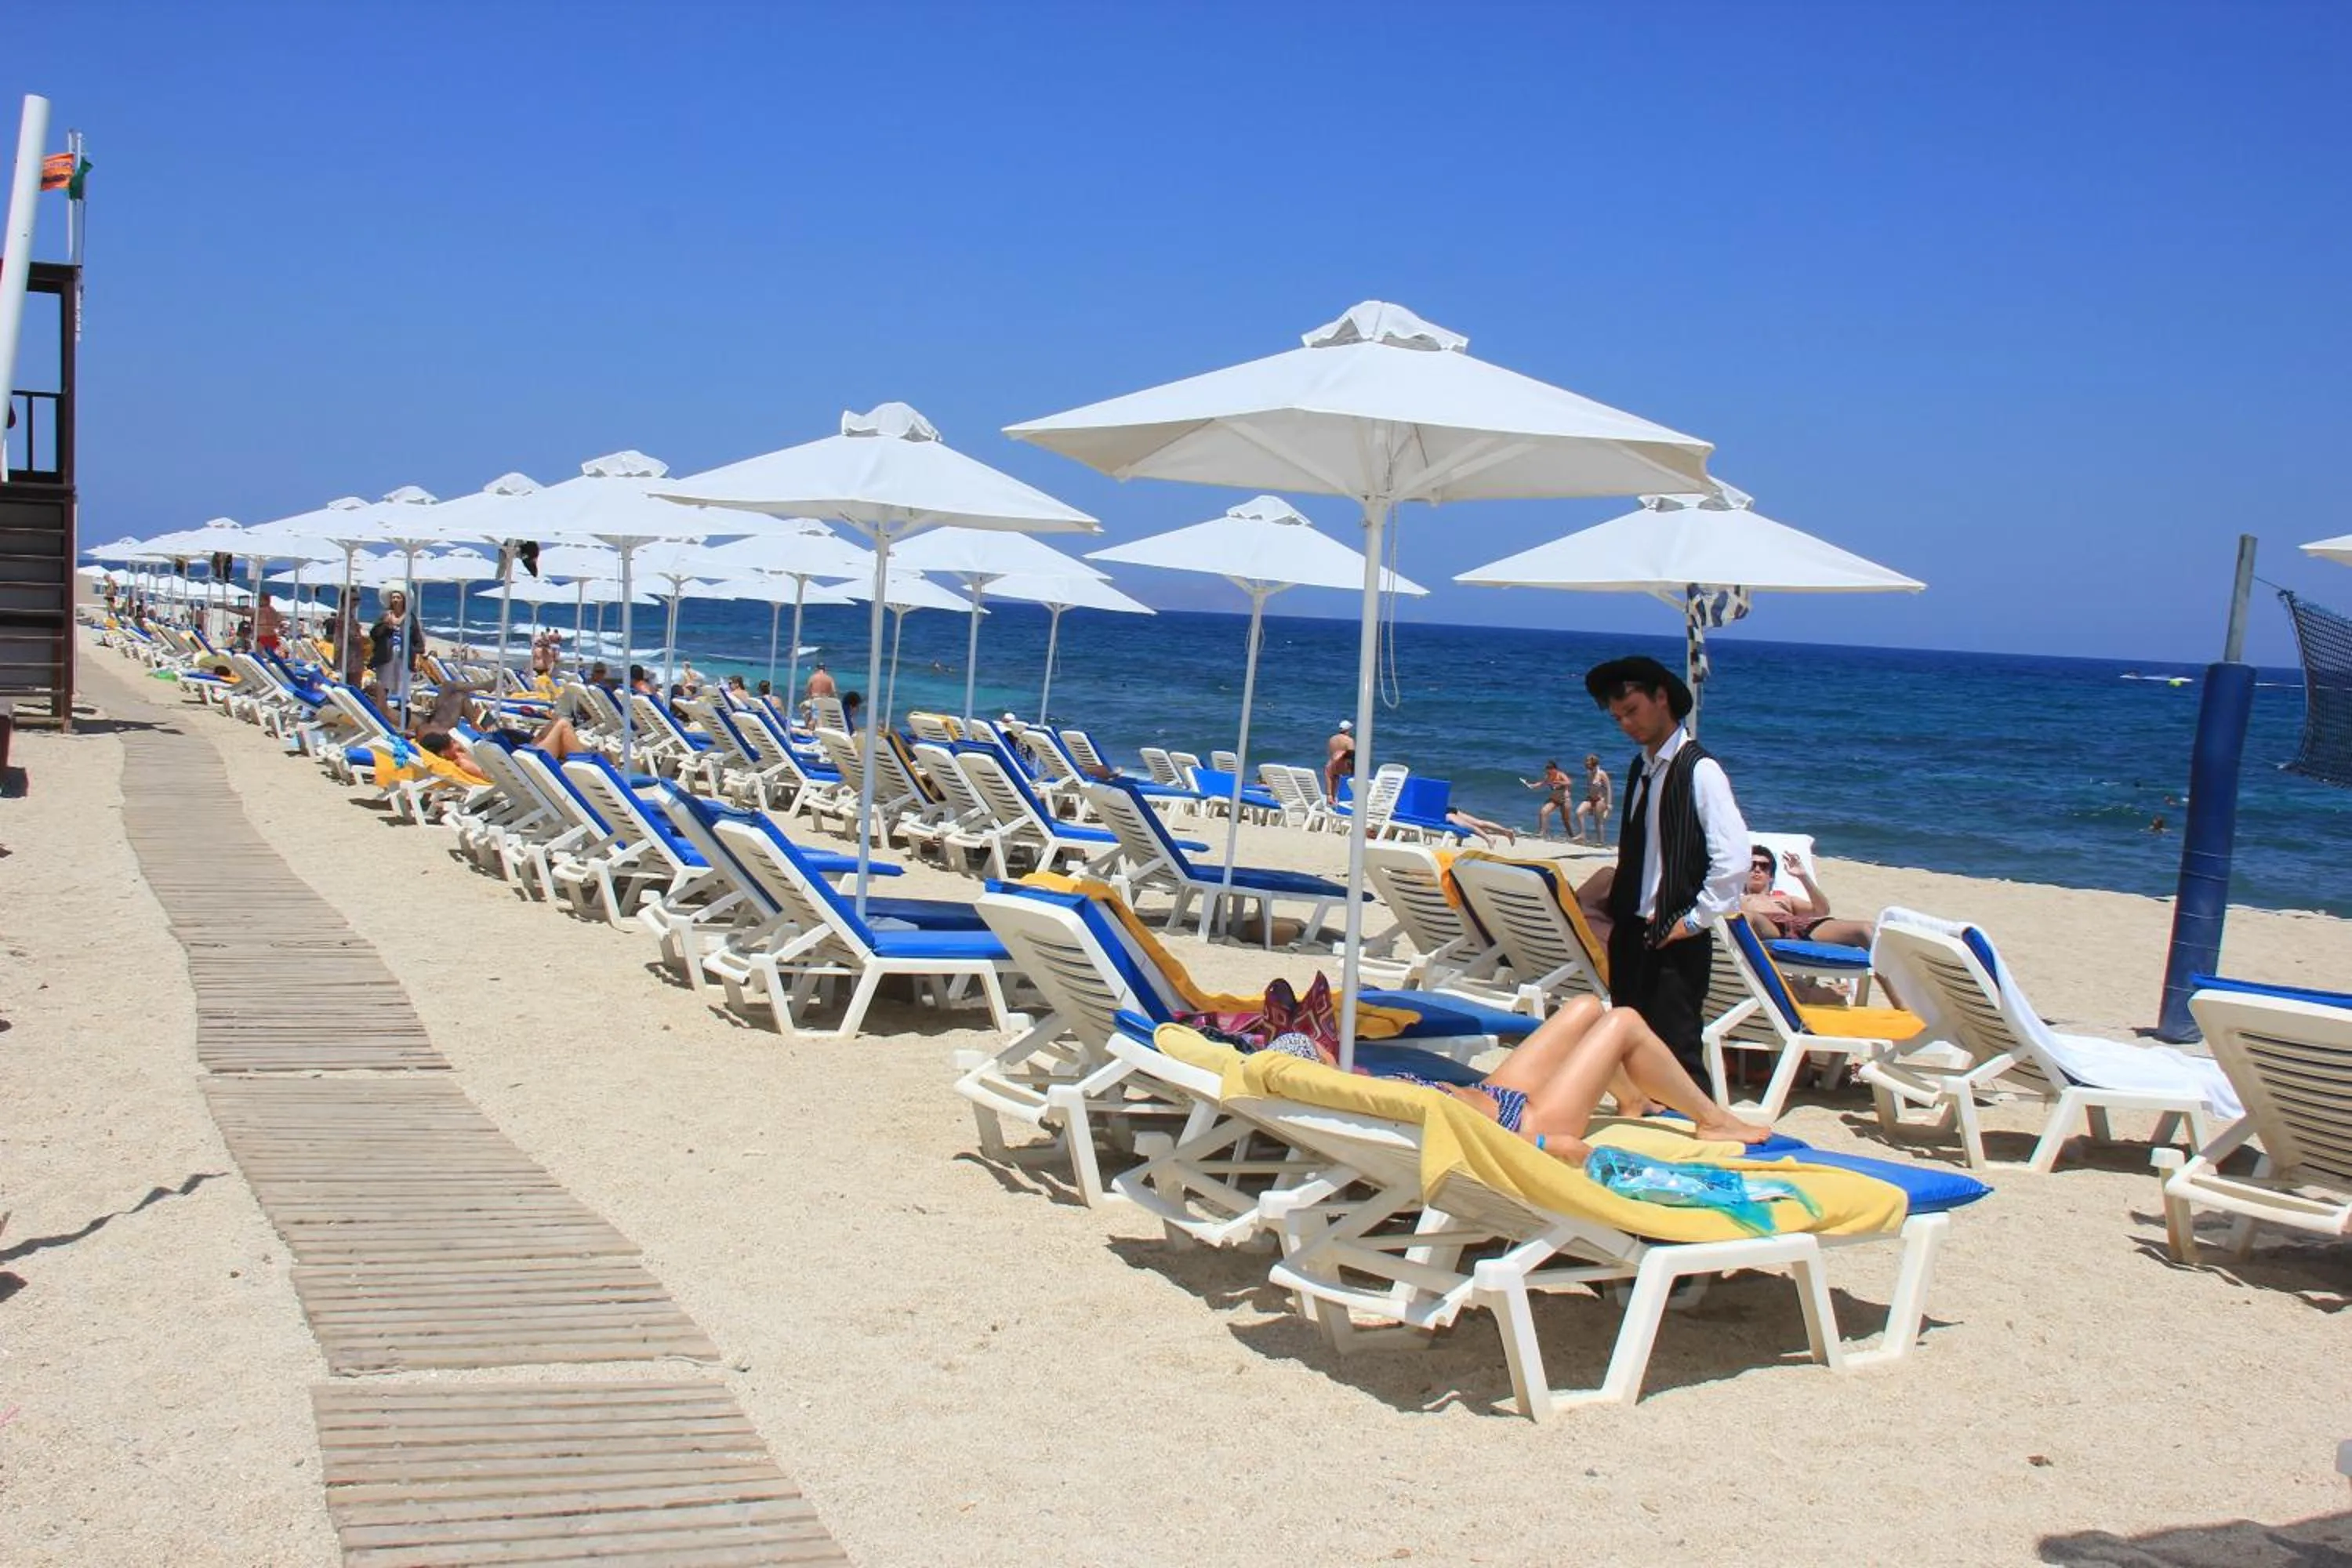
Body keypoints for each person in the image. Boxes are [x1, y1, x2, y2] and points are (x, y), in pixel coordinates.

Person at [1274, 991, 1773, 1160]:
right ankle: (1711, 1118)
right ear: (1315, 1063)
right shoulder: (1363, 1096)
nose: (1325, 1041)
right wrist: (1543, 1148)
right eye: (1318, 1046)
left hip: (1495, 1099)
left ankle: (1633, 1101)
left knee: (1583, 1009)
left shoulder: (1340, 1089)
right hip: (1527, 1127)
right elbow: (1454, 1138)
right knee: (1623, 1023)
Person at [1584, 655, 1749, 1082]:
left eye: (1633, 711)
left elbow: (1733, 858)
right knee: (1630, 1048)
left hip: (1674, 937)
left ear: (1662, 698)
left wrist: (1694, 920)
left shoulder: (1700, 770)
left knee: (1677, 1056)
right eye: (1619, 717)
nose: (1626, 724)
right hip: (1631, 933)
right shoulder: (1642, 768)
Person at [1742, 846, 1873, 949]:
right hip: (1768, 926)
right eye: (1752, 865)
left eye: (1764, 866)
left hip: (1800, 926)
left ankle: (1890, 982)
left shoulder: (1785, 899)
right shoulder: (1739, 899)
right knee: (1746, 917)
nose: (1757, 869)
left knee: (1867, 929)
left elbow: (1822, 911)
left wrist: (1803, 877)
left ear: (1771, 876)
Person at [368, 589, 423, 716]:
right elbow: (374, 634)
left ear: (404, 600)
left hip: (405, 655)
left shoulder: (410, 617)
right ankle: (384, 710)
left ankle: (399, 712)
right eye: (393, 598)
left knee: (401, 683)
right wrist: (386, 626)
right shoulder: (385, 616)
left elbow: (417, 638)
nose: (396, 600)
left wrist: (416, 652)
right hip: (386, 655)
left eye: (398, 597)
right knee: (385, 683)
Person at [1522, 759, 1573, 838]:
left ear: (1555, 769)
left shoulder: (1560, 775)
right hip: (1554, 800)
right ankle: (1542, 833)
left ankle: (1572, 836)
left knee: (1565, 820)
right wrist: (1532, 785)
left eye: (1550, 771)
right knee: (1543, 812)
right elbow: (1542, 783)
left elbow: (1569, 782)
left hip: (1564, 800)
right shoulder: (1548, 777)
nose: (1548, 773)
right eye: (1547, 771)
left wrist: (1559, 782)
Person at [1573, 753, 1613, 845]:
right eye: (1586, 764)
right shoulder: (1589, 773)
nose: (1587, 765)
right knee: (1579, 812)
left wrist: (1609, 804)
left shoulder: (1602, 774)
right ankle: (1582, 835)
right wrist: (1590, 806)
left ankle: (1601, 842)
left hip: (1600, 800)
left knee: (1598, 821)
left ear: (1594, 764)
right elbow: (1589, 787)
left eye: (1588, 764)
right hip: (1590, 799)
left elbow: (1609, 788)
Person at [1324, 718, 1356, 802]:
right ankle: (1342, 799)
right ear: (1348, 730)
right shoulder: (1349, 741)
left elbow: (1331, 753)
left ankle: (1330, 797)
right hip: (1343, 766)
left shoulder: (1332, 739)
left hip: (1331, 765)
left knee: (1333, 778)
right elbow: (1351, 755)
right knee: (1343, 778)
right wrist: (1353, 771)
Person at [254, 590, 285, 656]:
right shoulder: (272, 610)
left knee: (260, 656)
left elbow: (246, 612)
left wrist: (229, 608)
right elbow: (280, 618)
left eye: (259, 599)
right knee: (271, 656)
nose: (258, 601)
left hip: (264, 638)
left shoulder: (262, 610)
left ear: (265, 600)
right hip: (270, 637)